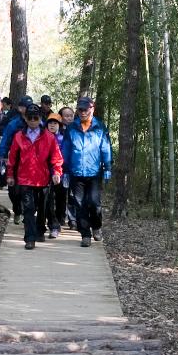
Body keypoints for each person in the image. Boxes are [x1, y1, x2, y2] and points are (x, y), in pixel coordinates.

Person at [5, 106, 63, 250]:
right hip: (25, 179)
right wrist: (10, 174)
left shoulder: (48, 137)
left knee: (42, 207)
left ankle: (40, 231)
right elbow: (12, 157)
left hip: (43, 179)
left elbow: (56, 157)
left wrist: (57, 172)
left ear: (40, 119)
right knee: (29, 209)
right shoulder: (19, 136)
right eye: (29, 117)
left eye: (35, 118)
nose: (32, 121)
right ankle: (29, 238)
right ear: (25, 118)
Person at [62, 97, 112, 247]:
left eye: (85, 109)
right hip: (76, 173)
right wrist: (64, 169)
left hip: (94, 172)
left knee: (94, 203)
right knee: (80, 204)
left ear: (92, 109)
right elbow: (65, 149)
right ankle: (85, 234)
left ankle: (96, 227)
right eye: (80, 109)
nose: (82, 112)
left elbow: (106, 148)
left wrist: (108, 167)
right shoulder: (72, 128)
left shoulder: (100, 127)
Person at [0, 95, 34, 222]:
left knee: (28, 190)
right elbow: (5, 140)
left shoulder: (37, 122)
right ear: (20, 108)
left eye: (30, 106)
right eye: (25, 106)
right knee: (13, 191)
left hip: (31, 163)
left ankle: (26, 213)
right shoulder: (14, 124)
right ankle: (17, 209)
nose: (27, 109)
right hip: (14, 161)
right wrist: (2, 155)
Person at [45, 113, 68, 238]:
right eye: (50, 123)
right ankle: (53, 224)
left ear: (60, 125)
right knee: (48, 199)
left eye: (55, 123)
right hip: (46, 174)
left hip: (61, 174)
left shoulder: (64, 139)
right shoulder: (43, 138)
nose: (52, 125)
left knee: (60, 199)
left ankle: (59, 221)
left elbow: (66, 157)